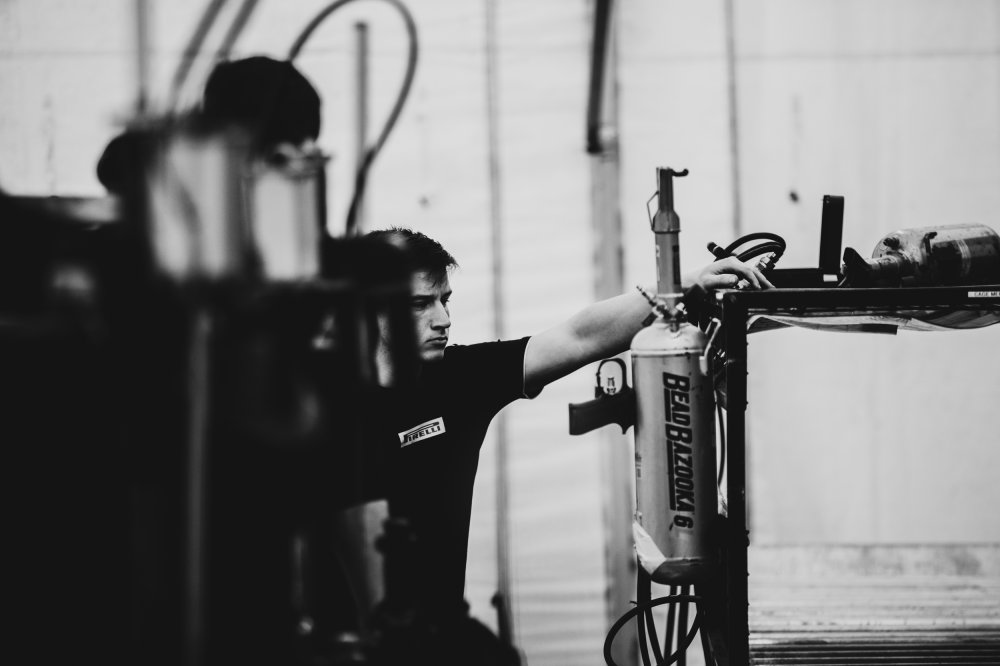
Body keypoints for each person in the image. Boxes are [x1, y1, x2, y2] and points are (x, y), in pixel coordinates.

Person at [338, 227, 771, 646]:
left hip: (435, 638)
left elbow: (579, 336)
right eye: (420, 304)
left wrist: (683, 288)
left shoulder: (458, 381)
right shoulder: (326, 413)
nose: (443, 319)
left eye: (445, 300)